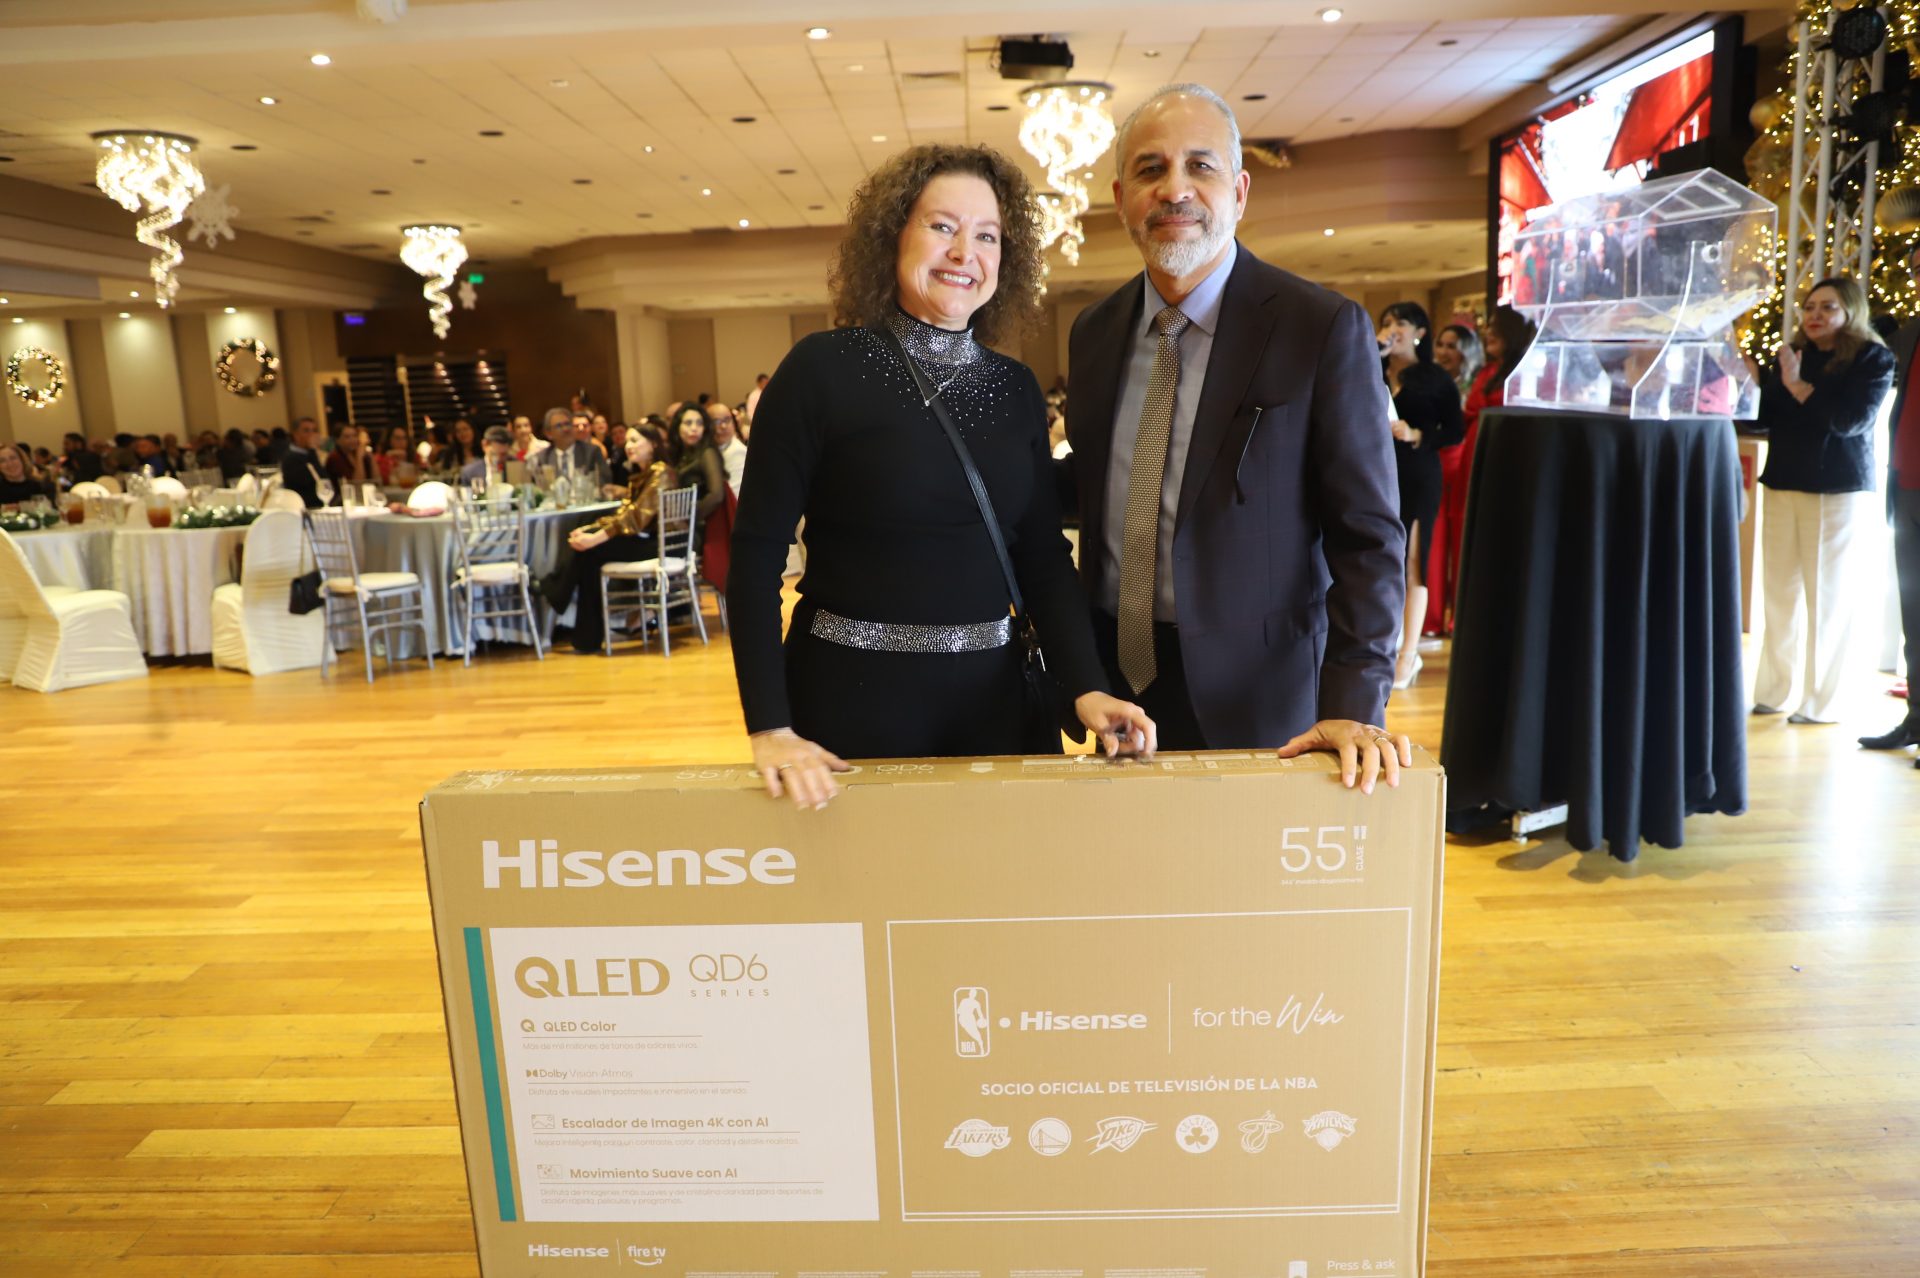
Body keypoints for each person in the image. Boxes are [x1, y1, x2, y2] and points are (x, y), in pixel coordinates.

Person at [728, 141, 1155, 809]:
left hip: (997, 705)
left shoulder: (1015, 387)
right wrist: (770, 727)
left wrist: (1086, 685)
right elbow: (755, 559)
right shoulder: (821, 370)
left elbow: (1042, 558)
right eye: (942, 226)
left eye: (987, 235)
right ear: (892, 236)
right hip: (849, 705)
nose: (964, 253)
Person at [1063, 83, 1408, 787]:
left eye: (1201, 165)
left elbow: (1368, 537)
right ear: (1121, 197)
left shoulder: (1318, 328)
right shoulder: (1094, 333)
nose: (1175, 189)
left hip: (1265, 701)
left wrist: (1353, 703)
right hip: (1118, 694)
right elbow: (1095, 495)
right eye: (1151, 169)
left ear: (1240, 191)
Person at [1751, 276, 1896, 725]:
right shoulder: (1795, 355)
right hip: (1783, 481)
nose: (1814, 315)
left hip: (1836, 489)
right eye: (1810, 307)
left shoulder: (1872, 358)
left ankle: (1822, 702)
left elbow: (1849, 422)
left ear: (1850, 311)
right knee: (1778, 595)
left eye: (1827, 307)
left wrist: (1797, 386)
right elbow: (1763, 419)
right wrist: (1749, 383)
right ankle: (1774, 690)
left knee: (1827, 600)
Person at [1425, 305, 1535, 636]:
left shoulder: (1526, 369)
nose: (1488, 332)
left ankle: (1475, 615)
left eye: (1496, 326)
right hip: (1473, 457)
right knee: (1463, 533)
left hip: (1502, 455)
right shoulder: (1488, 372)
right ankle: (1457, 614)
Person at [1378, 300, 1466, 687]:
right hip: (1376, 473)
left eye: (1401, 322)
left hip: (1417, 471)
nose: (1393, 329)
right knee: (1379, 558)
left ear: (1419, 332)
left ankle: (1408, 654)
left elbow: (1455, 430)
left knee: (1413, 558)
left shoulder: (1433, 376)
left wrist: (1417, 434)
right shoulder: (1371, 368)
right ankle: (1381, 646)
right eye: (1387, 322)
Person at [1862, 249, 1920, 757]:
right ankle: (1916, 719)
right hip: (1907, 489)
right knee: (1914, 616)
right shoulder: (1911, 332)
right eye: (1918, 270)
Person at [543, 434, 677, 653]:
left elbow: (635, 518)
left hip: (660, 543)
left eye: (635, 440)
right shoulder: (644, 474)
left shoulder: (661, 472)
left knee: (591, 549)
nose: (629, 446)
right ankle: (585, 638)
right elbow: (622, 514)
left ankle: (557, 593)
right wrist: (589, 530)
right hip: (646, 539)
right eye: (628, 441)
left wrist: (595, 537)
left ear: (653, 444)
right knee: (588, 554)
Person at [666, 404, 727, 526]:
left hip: (703, 526)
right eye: (688, 423)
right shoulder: (680, 454)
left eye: (699, 423)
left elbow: (716, 495)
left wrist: (688, 517)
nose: (694, 428)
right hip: (686, 524)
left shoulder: (707, 453)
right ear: (677, 427)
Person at [544, 407, 611, 491]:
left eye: (567, 424)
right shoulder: (543, 458)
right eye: (559, 426)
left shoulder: (592, 452)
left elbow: (605, 483)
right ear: (549, 434)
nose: (565, 429)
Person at [280, 418, 333, 508]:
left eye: (314, 431)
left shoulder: (312, 454)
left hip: (321, 505)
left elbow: (326, 482)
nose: (312, 435)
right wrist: (313, 450)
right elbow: (312, 483)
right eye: (306, 431)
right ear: (296, 435)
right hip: (303, 507)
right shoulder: (291, 458)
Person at [1435, 323, 1484, 403]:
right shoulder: (1428, 381)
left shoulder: (1476, 386)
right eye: (1440, 345)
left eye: (1451, 347)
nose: (1443, 352)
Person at [707, 401, 748, 496]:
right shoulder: (713, 449)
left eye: (727, 420)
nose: (723, 426)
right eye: (716, 422)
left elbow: (734, 495)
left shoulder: (736, 452)